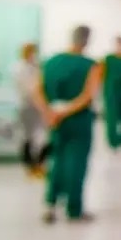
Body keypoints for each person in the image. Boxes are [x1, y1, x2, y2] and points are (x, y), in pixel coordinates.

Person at [31, 25, 102, 224]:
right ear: (87, 41)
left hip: (55, 120)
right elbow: (88, 96)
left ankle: (50, 206)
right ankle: (74, 209)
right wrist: (65, 112)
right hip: (78, 120)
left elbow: (36, 91)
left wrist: (49, 113)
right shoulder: (91, 65)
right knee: (77, 163)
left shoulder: (50, 62)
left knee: (57, 161)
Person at [13, 43, 49, 178]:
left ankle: (39, 165)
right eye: (31, 52)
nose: (33, 55)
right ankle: (31, 168)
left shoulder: (36, 67)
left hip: (38, 106)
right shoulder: (19, 68)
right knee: (28, 137)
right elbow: (29, 88)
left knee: (42, 137)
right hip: (27, 106)